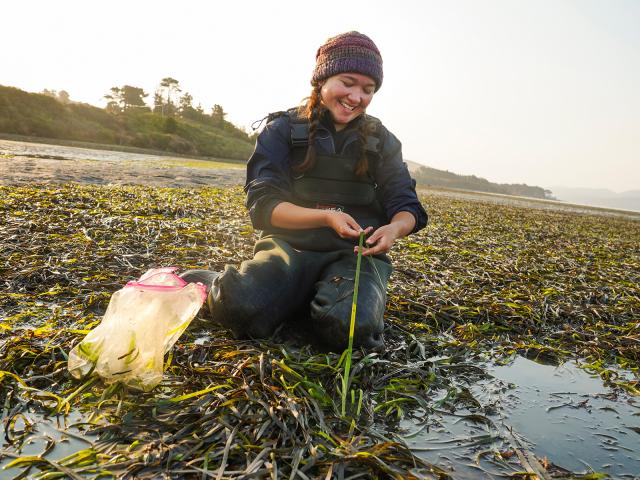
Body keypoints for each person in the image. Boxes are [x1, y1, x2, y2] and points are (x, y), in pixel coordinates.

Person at [182, 31, 427, 351]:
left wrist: (395, 228)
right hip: (290, 248)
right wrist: (326, 217)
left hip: (355, 256)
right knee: (240, 309)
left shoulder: (384, 141)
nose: (356, 97)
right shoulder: (282, 129)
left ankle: (306, 299)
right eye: (347, 82)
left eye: (368, 89)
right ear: (322, 79)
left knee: (352, 330)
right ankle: (222, 282)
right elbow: (263, 205)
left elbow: (406, 203)